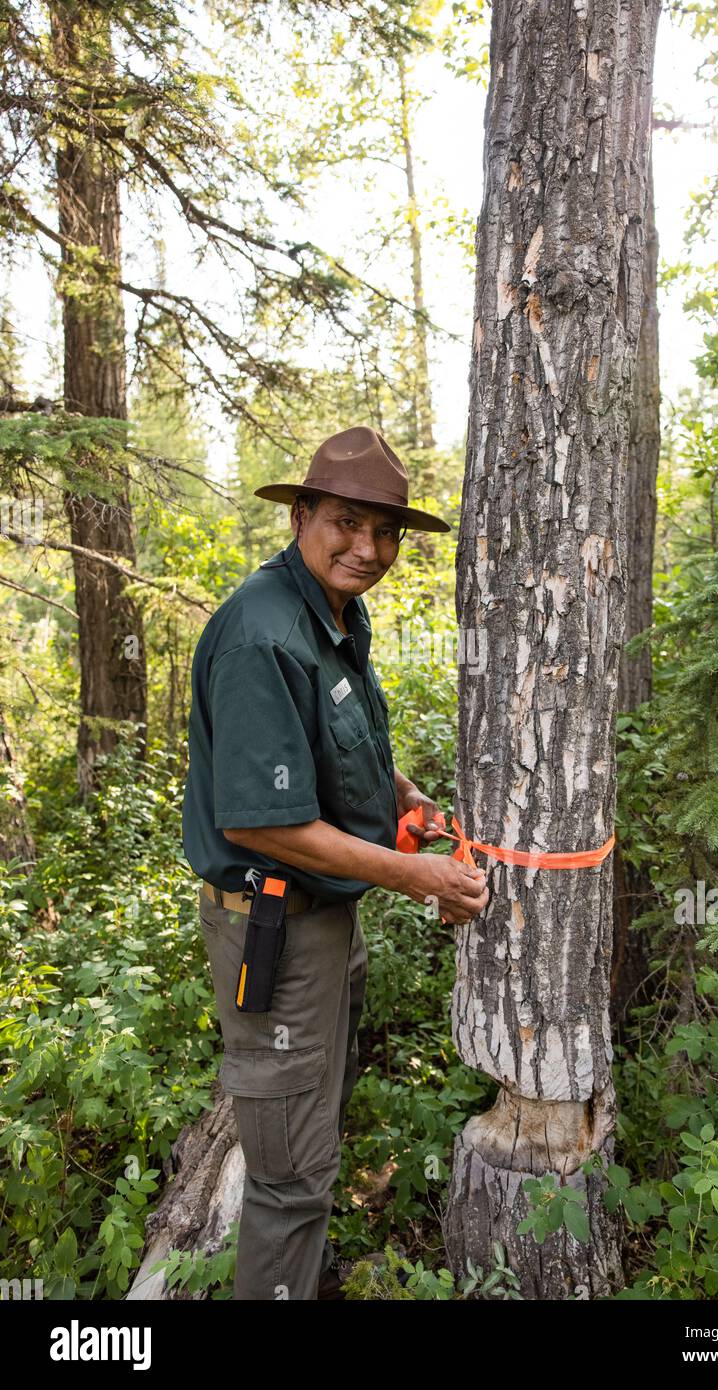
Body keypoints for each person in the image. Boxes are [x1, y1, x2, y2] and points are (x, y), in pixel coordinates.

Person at [181, 425, 489, 1301]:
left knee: (311, 1127)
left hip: (322, 924)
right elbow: (263, 825)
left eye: (386, 531)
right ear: (302, 513)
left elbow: (328, 746)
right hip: (272, 933)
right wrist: (419, 876)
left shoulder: (330, 615)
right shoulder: (263, 635)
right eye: (347, 522)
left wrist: (402, 799)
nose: (368, 548)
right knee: (288, 1181)